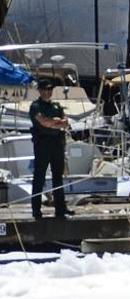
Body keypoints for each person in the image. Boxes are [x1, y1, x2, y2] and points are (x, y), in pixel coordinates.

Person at [29, 79, 74, 220]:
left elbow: (66, 123)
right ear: (40, 90)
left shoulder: (57, 105)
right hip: (43, 145)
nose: (47, 92)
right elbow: (43, 122)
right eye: (45, 89)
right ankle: (36, 210)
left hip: (57, 144)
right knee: (39, 177)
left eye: (50, 89)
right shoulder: (35, 106)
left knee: (58, 177)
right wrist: (55, 123)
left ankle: (60, 209)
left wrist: (54, 123)